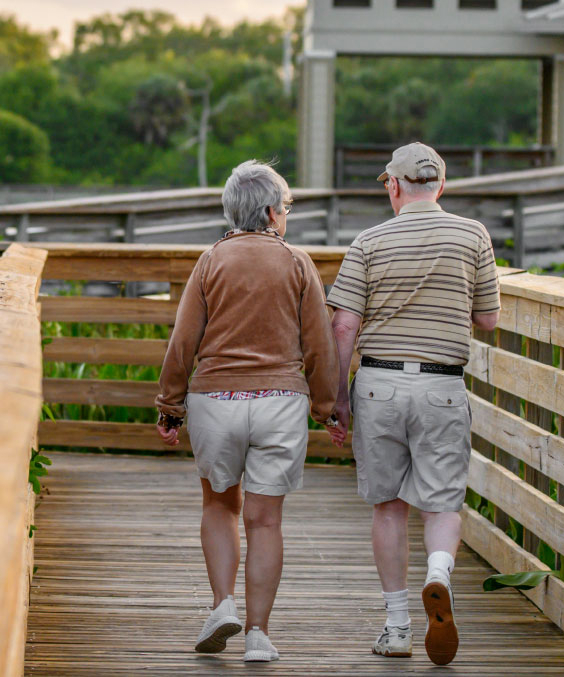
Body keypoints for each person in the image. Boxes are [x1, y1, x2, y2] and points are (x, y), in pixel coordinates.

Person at [155, 160, 341, 662]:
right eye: (285, 207)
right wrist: (328, 408)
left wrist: (170, 405)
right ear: (269, 212)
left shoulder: (210, 260)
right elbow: (319, 344)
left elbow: (183, 340)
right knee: (265, 521)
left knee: (219, 505)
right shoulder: (298, 263)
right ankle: (258, 634)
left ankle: (222, 606)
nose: (286, 215)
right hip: (280, 403)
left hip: (216, 400)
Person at [325, 143, 500, 665]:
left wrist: (337, 398)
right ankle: (439, 574)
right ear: (440, 186)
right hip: (442, 385)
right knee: (443, 501)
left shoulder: (369, 240)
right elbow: (488, 320)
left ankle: (398, 626)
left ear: (395, 186)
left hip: (379, 384)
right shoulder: (473, 235)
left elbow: (343, 326)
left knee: (389, 506)